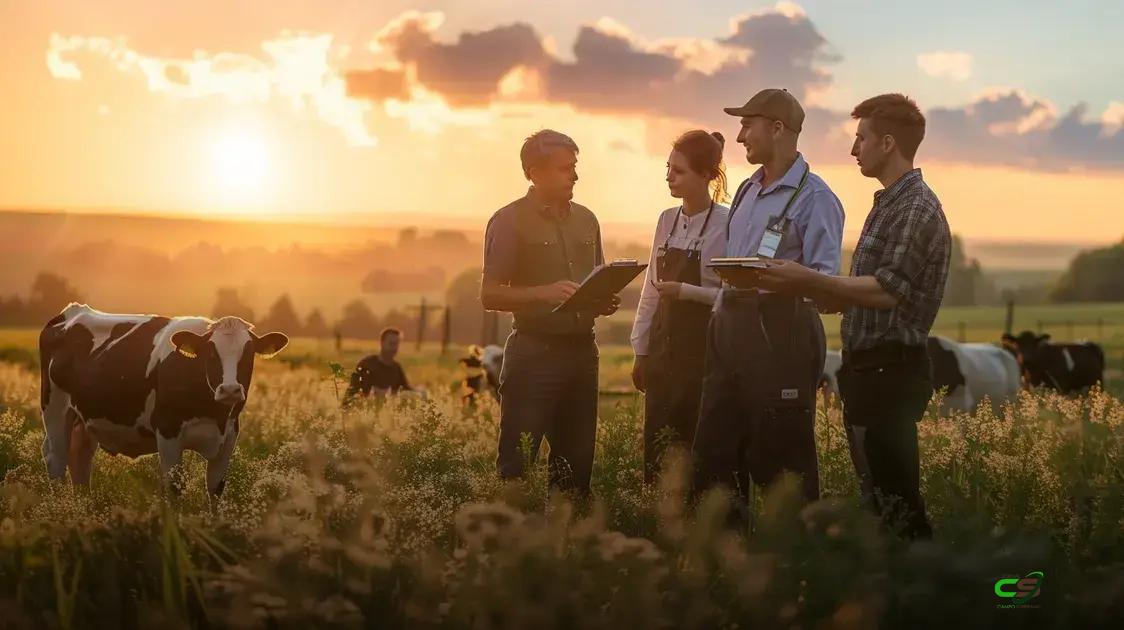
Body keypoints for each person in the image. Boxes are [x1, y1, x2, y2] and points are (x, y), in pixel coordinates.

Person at [752, 93, 951, 539]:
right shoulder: (890, 203)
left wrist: (809, 279)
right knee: (878, 501)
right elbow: (869, 292)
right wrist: (825, 294)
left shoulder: (915, 207)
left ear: (887, 143)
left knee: (897, 505)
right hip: (869, 370)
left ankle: (923, 577)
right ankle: (897, 576)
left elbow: (886, 291)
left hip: (890, 371)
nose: (853, 148)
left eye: (861, 138)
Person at [692, 88, 844, 524]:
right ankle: (726, 552)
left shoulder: (816, 198)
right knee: (716, 454)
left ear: (777, 129)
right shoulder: (745, 189)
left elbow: (825, 285)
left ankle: (794, 552)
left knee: (783, 460)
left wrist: (776, 277)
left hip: (783, 332)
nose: (740, 137)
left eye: (747, 125)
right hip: (730, 324)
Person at [480, 129, 620, 496]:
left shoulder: (587, 220)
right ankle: (512, 529)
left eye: (574, 166)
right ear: (534, 172)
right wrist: (543, 293)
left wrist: (602, 301)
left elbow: (595, 279)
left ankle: (567, 530)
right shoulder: (508, 220)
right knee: (516, 469)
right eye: (564, 168)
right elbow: (489, 294)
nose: (574, 176)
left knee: (575, 472)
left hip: (583, 354)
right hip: (533, 357)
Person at [631, 130, 730, 483]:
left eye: (679, 171)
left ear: (706, 175)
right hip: (663, 350)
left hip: (705, 352)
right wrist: (641, 350)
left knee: (699, 446)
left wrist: (686, 291)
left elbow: (734, 296)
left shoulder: (727, 223)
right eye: (668, 168)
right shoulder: (666, 219)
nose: (669, 177)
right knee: (659, 445)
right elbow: (651, 289)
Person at [343, 327, 412, 404]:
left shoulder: (396, 368)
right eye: (391, 344)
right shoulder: (367, 364)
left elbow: (407, 391)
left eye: (396, 344)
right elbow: (353, 395)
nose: (394, 348)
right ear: (382, 343)